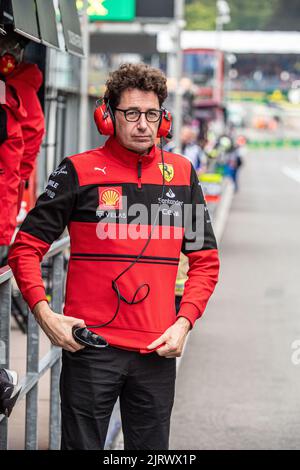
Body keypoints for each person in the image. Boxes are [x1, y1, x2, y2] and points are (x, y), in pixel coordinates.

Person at [8, 63, 220, 450]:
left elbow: (205, 261)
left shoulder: (183, 173)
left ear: (164, 118)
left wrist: (185, 322)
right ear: (107, 116)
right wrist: (45, 314)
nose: (143, 124)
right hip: (89, 349)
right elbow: (26, 247)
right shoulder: (77, 171)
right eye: (131, 113)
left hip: (158, 349)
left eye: (151, 114)